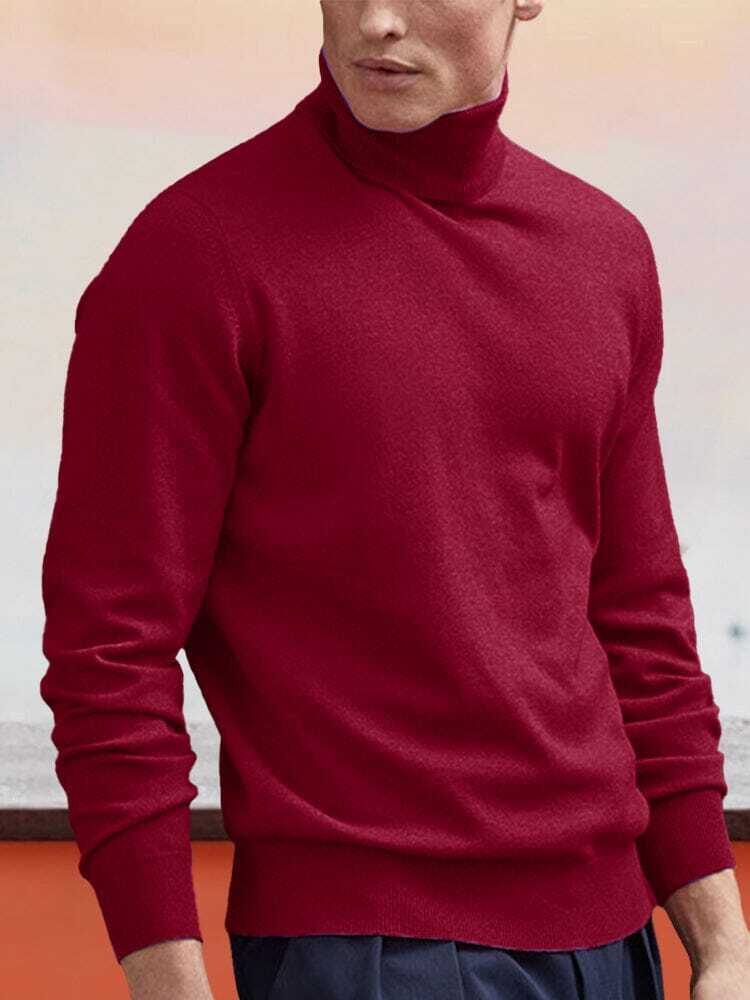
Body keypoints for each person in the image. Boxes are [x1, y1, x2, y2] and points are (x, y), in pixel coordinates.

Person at [39, 1, 750, 998]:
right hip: (361, 947)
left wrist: (723, 945)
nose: (376, 20)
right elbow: (109, 649)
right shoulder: (193, 256)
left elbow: (637, 615)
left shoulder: (604, 250)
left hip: (614, 935)